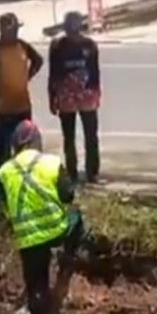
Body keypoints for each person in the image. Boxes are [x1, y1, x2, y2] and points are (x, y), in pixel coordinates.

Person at [0, 120, 92, 314]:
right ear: (36, 141)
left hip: (27, 237)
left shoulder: (4, 171)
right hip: (55, 230)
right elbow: (68, 195)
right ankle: (68, 259)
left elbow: (6, 200)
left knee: (36, 284)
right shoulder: (51, 163)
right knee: (76, 218)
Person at [0, 12, 44, 196]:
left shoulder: (23, 46)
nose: (12, 32)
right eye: (8, 29)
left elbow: (38, 61)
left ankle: (23, 185)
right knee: (1, 149)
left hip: (23, 107)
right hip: (2, 110)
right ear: (1, 30)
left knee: (25, 150)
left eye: (15, 28)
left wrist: (27, 76)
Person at [47, 11, 102, 184]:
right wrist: (52, 96)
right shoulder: (57, 46)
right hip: (66, 96)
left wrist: (96, 92)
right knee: (69, 137)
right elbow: (53, 74)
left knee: (90, 135)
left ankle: (92, 171)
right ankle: (72, 172)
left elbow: (95, 72)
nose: (73, 30)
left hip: (86, 95)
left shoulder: (90, 45)